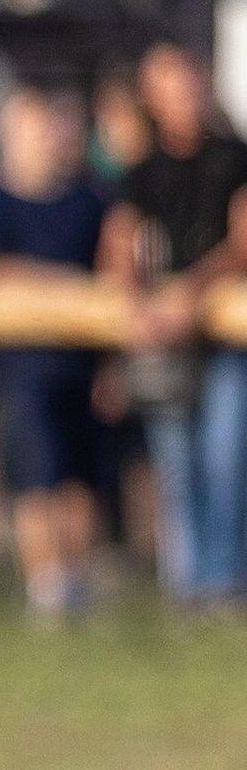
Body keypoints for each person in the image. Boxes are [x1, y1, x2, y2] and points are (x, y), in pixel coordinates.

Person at [102, 42, 247, 604]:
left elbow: (242, 241)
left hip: (227, 332)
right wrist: (138, 305)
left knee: (225, 455)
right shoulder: (142, 171)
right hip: (166, 338)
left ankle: (224, 580)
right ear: (153, 98)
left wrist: (191, 294)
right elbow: (119, 243)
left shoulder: (235, 157)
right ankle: (188, 584)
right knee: (177, 463)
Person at [0, 89, 107, 618]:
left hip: (82, 360)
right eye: (31, 130)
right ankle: (43, 583)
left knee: (80, 474)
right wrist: (59, 283)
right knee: (36, 473)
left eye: (48, 128)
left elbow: (105, 272)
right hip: (19, 364)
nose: (42, 140)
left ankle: (77, 579)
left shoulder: (89, 201)